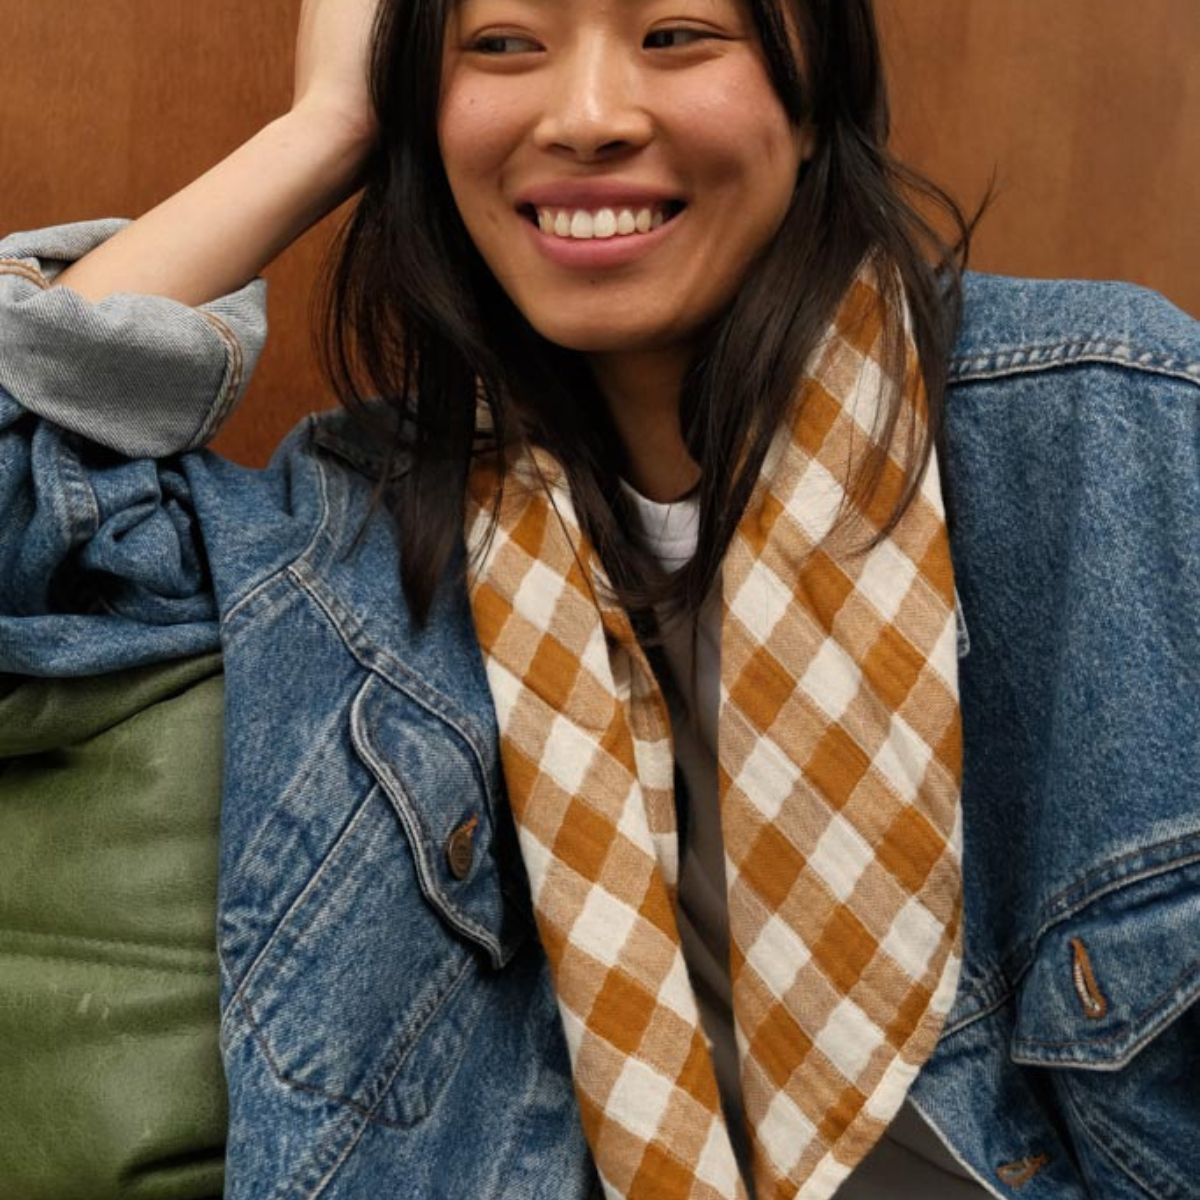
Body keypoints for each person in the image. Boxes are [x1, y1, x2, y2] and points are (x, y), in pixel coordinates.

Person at [1, 0, 1196, 1197]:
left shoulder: (1115, 427)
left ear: (814, 93)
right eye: (502, 44)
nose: (585, 119)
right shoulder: (360, 535)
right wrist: (325, 127)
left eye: (676, 35)